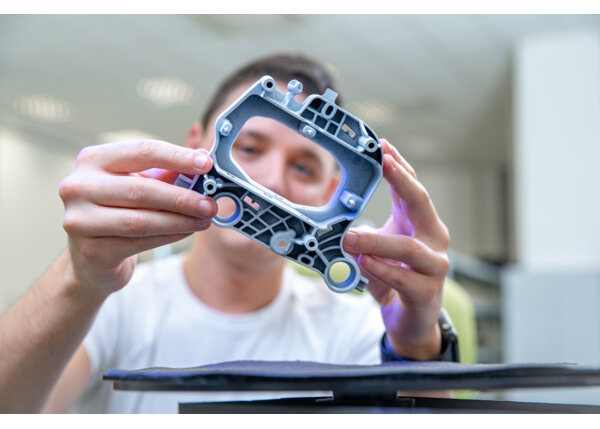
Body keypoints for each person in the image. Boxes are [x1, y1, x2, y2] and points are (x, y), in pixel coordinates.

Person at [0, 53, 451, 413]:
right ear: (196, 145)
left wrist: (414, 345)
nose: (272, 180)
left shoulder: (352, 327)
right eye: (250, 147)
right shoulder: (117, 303)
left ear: (333, 192)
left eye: (303, 165)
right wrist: (78, 279)